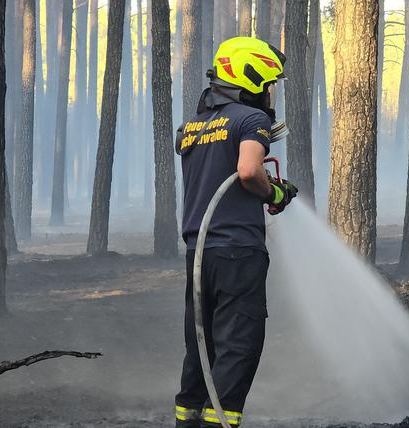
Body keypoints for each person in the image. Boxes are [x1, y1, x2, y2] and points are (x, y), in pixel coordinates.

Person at [173, 37, 299, 428]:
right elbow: (247, 171)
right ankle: (221, 423)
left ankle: (187, 419)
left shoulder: (193, 126)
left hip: (199, 250)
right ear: (252, 78)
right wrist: (275, 191)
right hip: (237, 251)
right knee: (237, 345)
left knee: (201, 343)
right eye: (268, 81)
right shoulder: (251, 119)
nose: (270, 90)